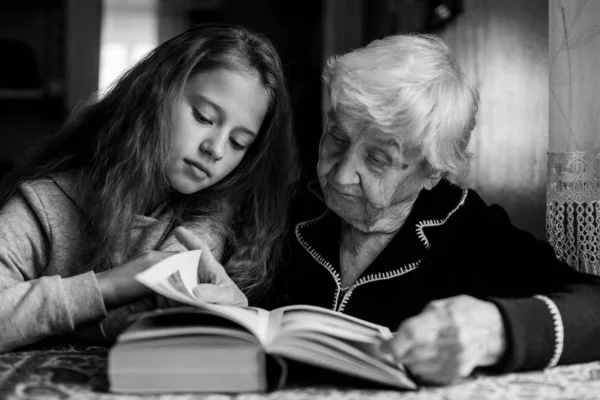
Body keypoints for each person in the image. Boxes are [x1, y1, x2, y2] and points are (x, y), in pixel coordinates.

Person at [194, 32, 600, 385]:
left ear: (432, 172)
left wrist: (496, 330)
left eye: (376, 159)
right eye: (337, 137)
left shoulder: (469, 230)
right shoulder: (291, 203)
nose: (340, 176)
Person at [0, 23, 299, 353]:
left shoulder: (217, 224)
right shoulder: (44, 204)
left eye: (238, 142)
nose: (216, 149)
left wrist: (232, 318)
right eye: (203, 117)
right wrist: (115, 284)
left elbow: (157, 323)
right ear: (155, 96)